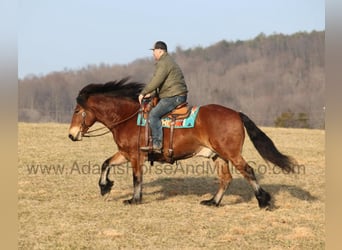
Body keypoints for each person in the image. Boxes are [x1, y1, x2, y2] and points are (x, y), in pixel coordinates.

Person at [139, 41, 188, 153]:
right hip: (174, 94)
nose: (153, 54)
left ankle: (157, 144)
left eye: (154, 51)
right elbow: (162, 84)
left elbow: (156, 80)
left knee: (154, 115)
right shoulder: (167, 61)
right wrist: (151, 94)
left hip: (173, 96)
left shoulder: (164, 63)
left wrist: (143, 93)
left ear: (160, 51)